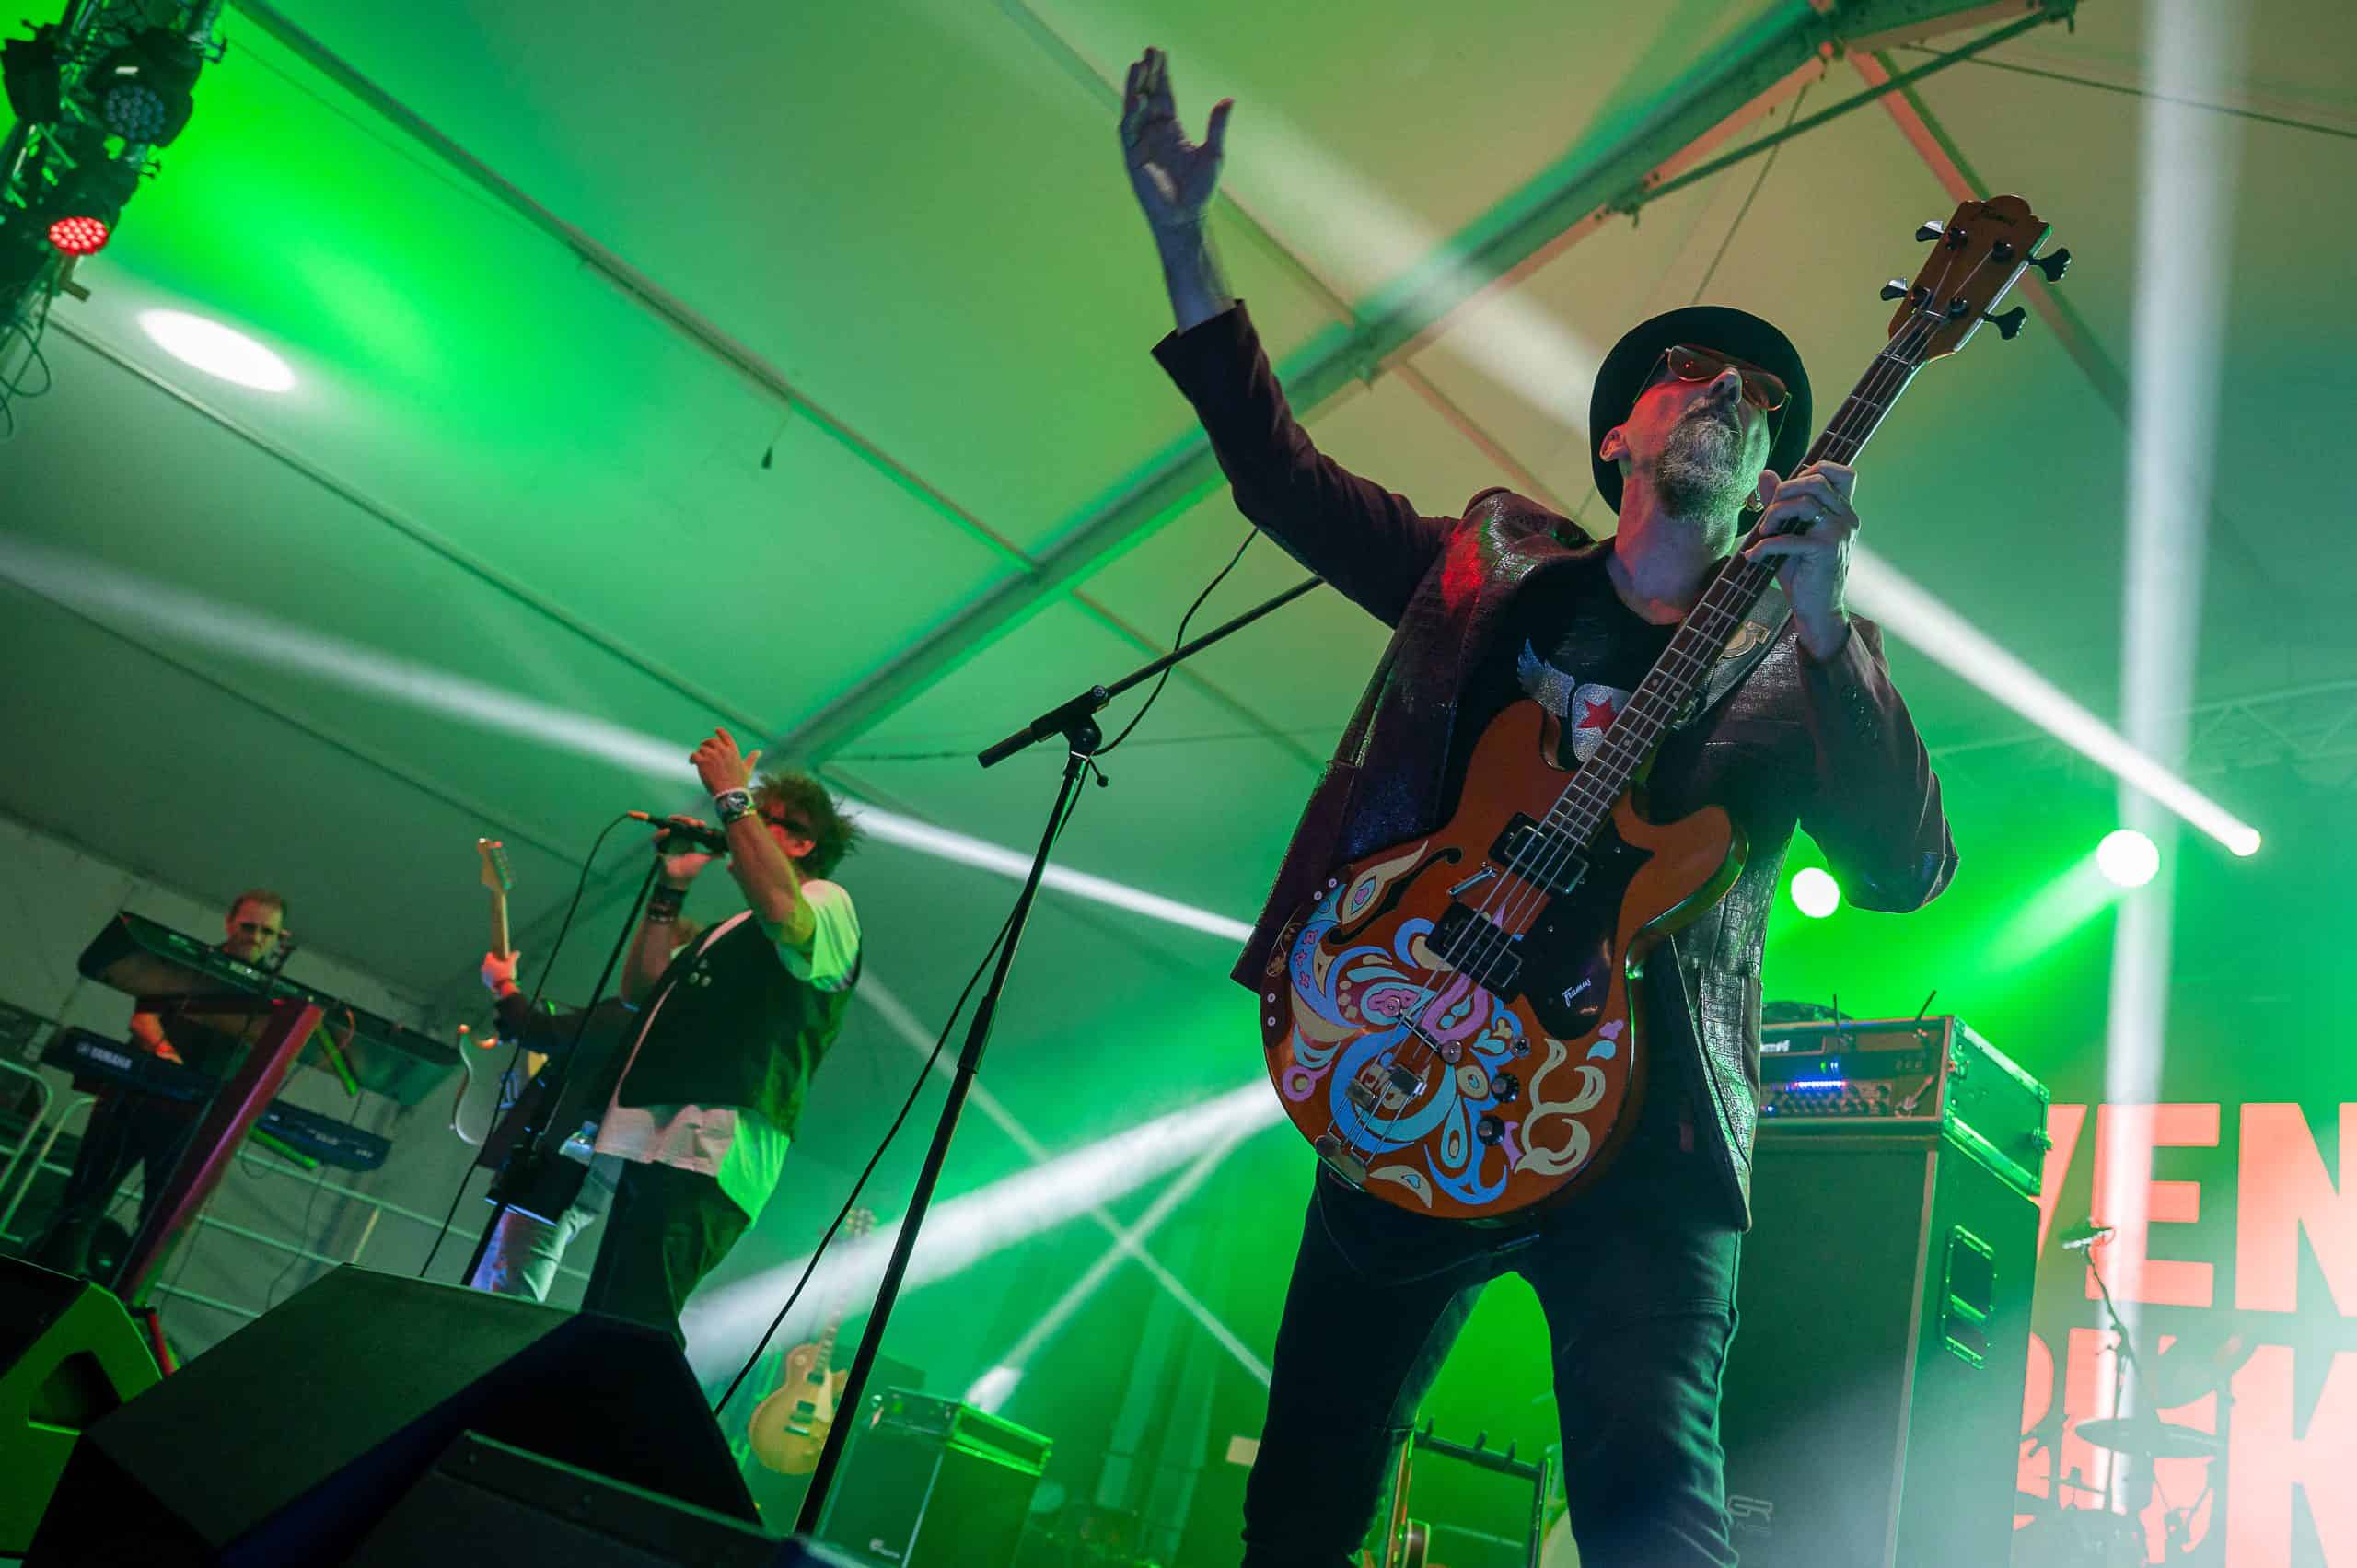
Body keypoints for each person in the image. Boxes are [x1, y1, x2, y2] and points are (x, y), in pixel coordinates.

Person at [1118, 48, 1956, 1567]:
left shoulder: (1802, 659)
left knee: (1652, 1514)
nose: (1729, 390)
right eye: (1693, 369)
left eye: (1761, 397)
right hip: (1425, 1054)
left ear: (1773, 479)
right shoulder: (1480, 575)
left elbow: (1906, 869)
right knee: (1298, 1505)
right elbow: (1283, 480)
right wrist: (1187, 247)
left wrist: (1829, 620)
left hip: (1644, 1137)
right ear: (1618, 435)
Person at [479, 731, 861, 1339]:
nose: (739, 824)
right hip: (652, 1141)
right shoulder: (730, 928)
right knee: (609, 1321)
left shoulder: (827, 902)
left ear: (801, 840)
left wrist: (732, 793)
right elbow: (641, 988)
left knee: (637, 1324)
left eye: (761, 817)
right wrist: (672, 886)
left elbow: (787, 915)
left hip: (712, 1144)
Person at [32, 889, 289, 1281]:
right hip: (133, 1100)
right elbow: (144, 1020)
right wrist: (170, 1063)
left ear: (280, 938)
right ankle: (51, 1284)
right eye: (248, 927)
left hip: (191, 1119)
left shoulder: (275, 997)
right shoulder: (185, 963)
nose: (255, 938)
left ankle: (120, 1299)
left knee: (159, 1220)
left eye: (266, 932)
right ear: (229, 923)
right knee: (84, 1201)